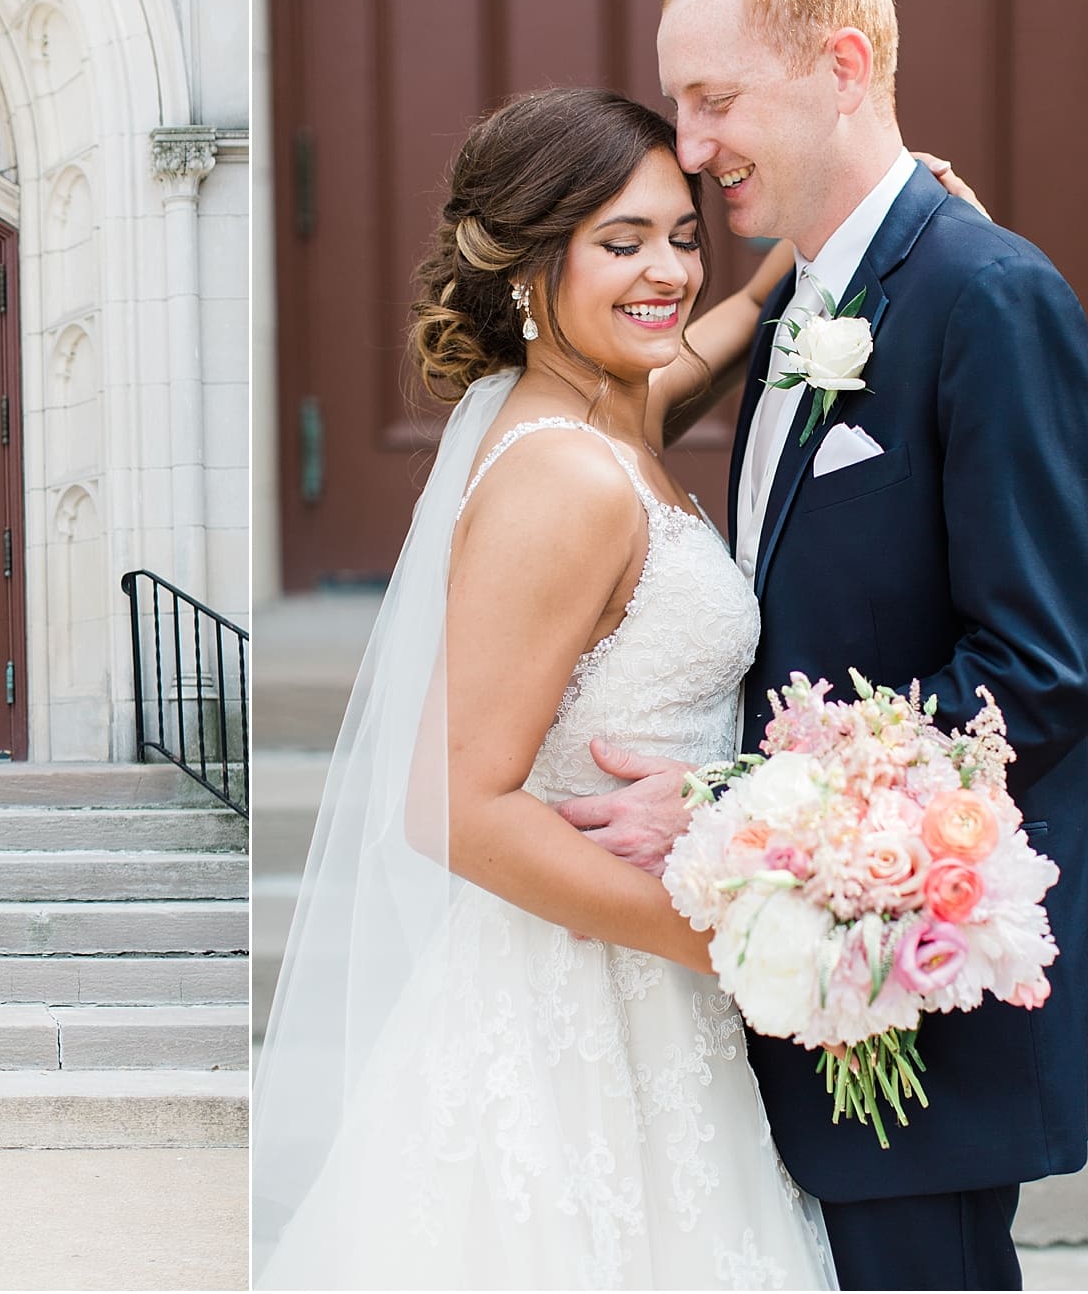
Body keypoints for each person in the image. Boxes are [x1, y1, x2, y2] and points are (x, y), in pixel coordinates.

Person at [564, 0, 1088, 1290]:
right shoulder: (804, 298)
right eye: (678, 99)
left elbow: (1039, 671)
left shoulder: (988, 297)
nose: (689, 140)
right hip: (820, 971)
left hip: (921, 977)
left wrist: (728, 806)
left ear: (842, 66)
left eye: (713, 98)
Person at [252, 87, 841, 1289]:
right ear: (530, 264)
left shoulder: (604, 411)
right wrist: (736, 938)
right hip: (577, 1007)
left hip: (648, 1000)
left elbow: (700, 343)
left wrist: (821, 241)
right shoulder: (565, 477)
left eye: (682, 233)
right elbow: (457, 808)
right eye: (620, 243)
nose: (667, 271)